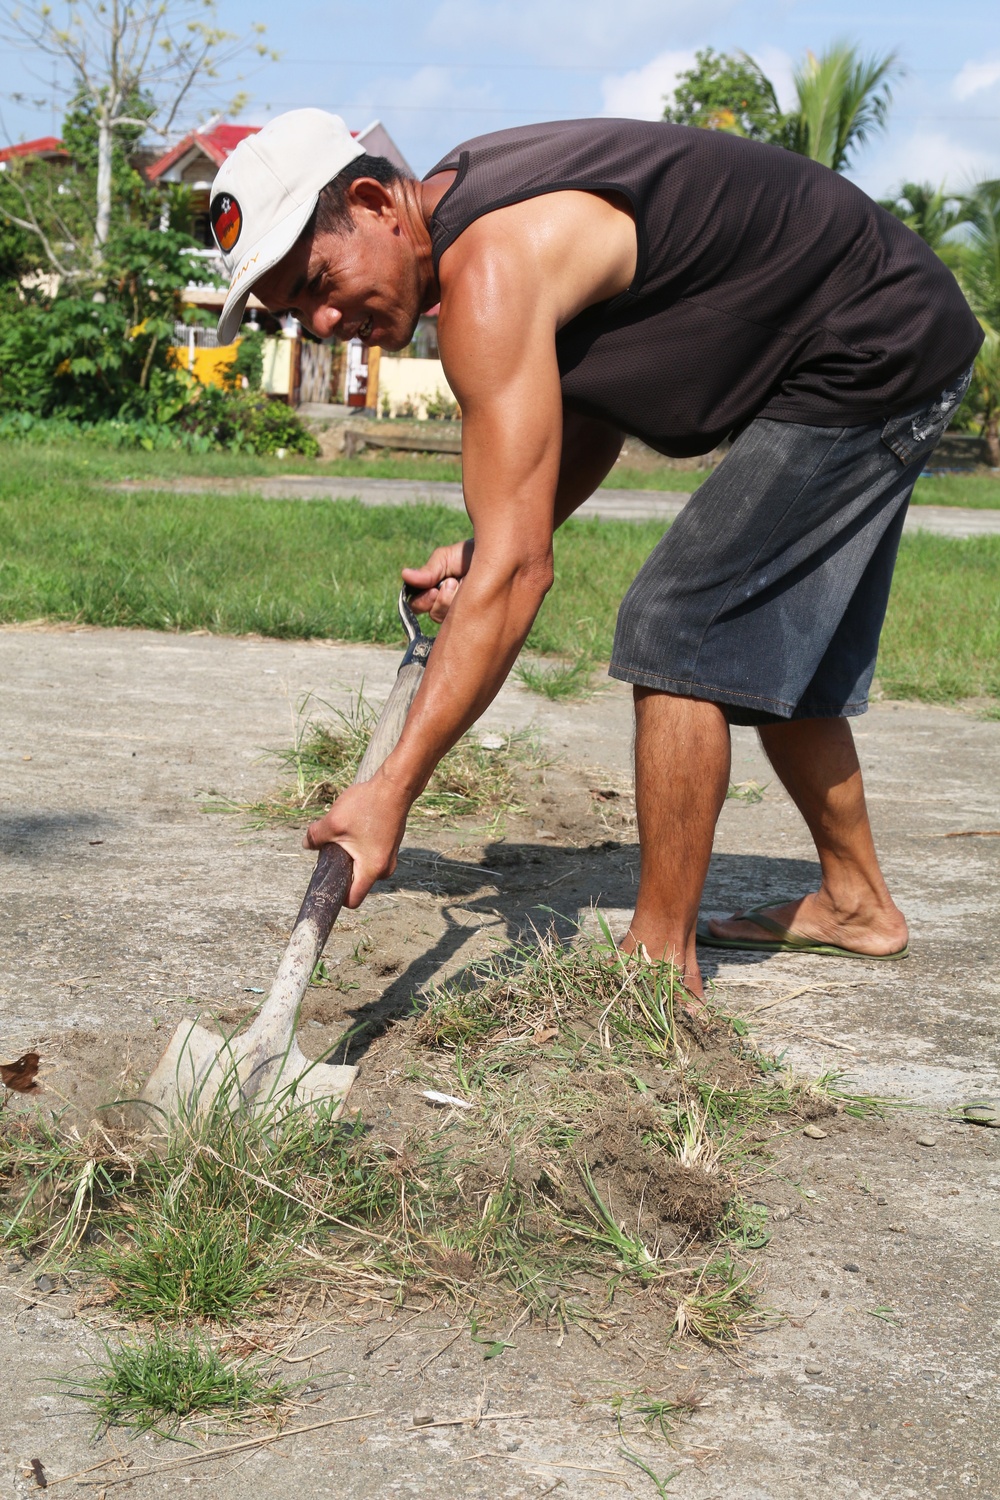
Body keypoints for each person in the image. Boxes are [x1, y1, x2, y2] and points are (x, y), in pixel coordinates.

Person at [210, 108, 982, 1001]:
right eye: (295, 312)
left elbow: (520, 574)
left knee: (681, 626)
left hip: (873, 344)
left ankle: (657, 970)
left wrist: (392, 791)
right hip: (878, 328)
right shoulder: (475, 222)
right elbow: (587, 420)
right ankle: (856, 902)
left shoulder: (492, 270)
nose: (324, 317)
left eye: (317, 278)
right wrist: (483, 547)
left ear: (376, 200)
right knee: (755, 633)